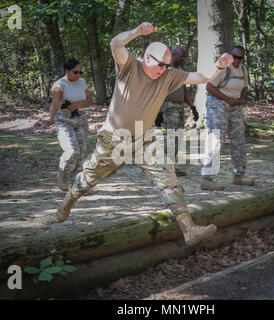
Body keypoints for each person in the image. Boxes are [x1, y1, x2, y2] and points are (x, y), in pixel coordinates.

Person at [56, 22, 233, 247]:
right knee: (88, 179)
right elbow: (115, 44)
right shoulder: (129, 66)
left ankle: (189, 229)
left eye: (166, 65)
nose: (163, 69)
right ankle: (68, 200)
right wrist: (138, 32)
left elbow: (202, 77)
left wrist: (219, 65)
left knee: (168, 179)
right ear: (147, 57)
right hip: (114, 138)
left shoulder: (168, 76)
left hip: (144, 138)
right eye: (160, 64)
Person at [201, 45, 254, 190]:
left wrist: (241, 99)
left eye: (240, 57)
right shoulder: (223, 68)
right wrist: (227, 99)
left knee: (239, 141)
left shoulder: (243, 69)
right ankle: (207, 178)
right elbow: (210, 87)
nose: (237, 60)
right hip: (218, 107)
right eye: (234, 57)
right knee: (215, 140)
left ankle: (239, 175)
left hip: (235, 108)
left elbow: (245, 87)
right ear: (230, 56)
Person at [46, 59, 94, 191]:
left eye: (80, 72)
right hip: (64, 119)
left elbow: (90, 101)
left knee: (82, 153)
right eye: (75, 72)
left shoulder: (82, 82)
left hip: (81, 119)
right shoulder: (59, 85)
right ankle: (62, 172)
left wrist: (77, 105)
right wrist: (50, 119)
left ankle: (77, 184)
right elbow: (55, 104)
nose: (78, 74)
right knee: (73, 151)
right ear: (66, 71)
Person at [155, 47, 199, 177]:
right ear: (173, 54)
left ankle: (170, 166)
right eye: (182, 56)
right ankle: (164, 168)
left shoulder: (180, 71)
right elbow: (157, 91)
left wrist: (193, 107)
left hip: (180, 107)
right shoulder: (163, 70)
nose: (184, 59)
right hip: (168, 107)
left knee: (178, 137)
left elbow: (184, 90)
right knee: (171, 137)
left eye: (185, 56)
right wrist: (158, 112)